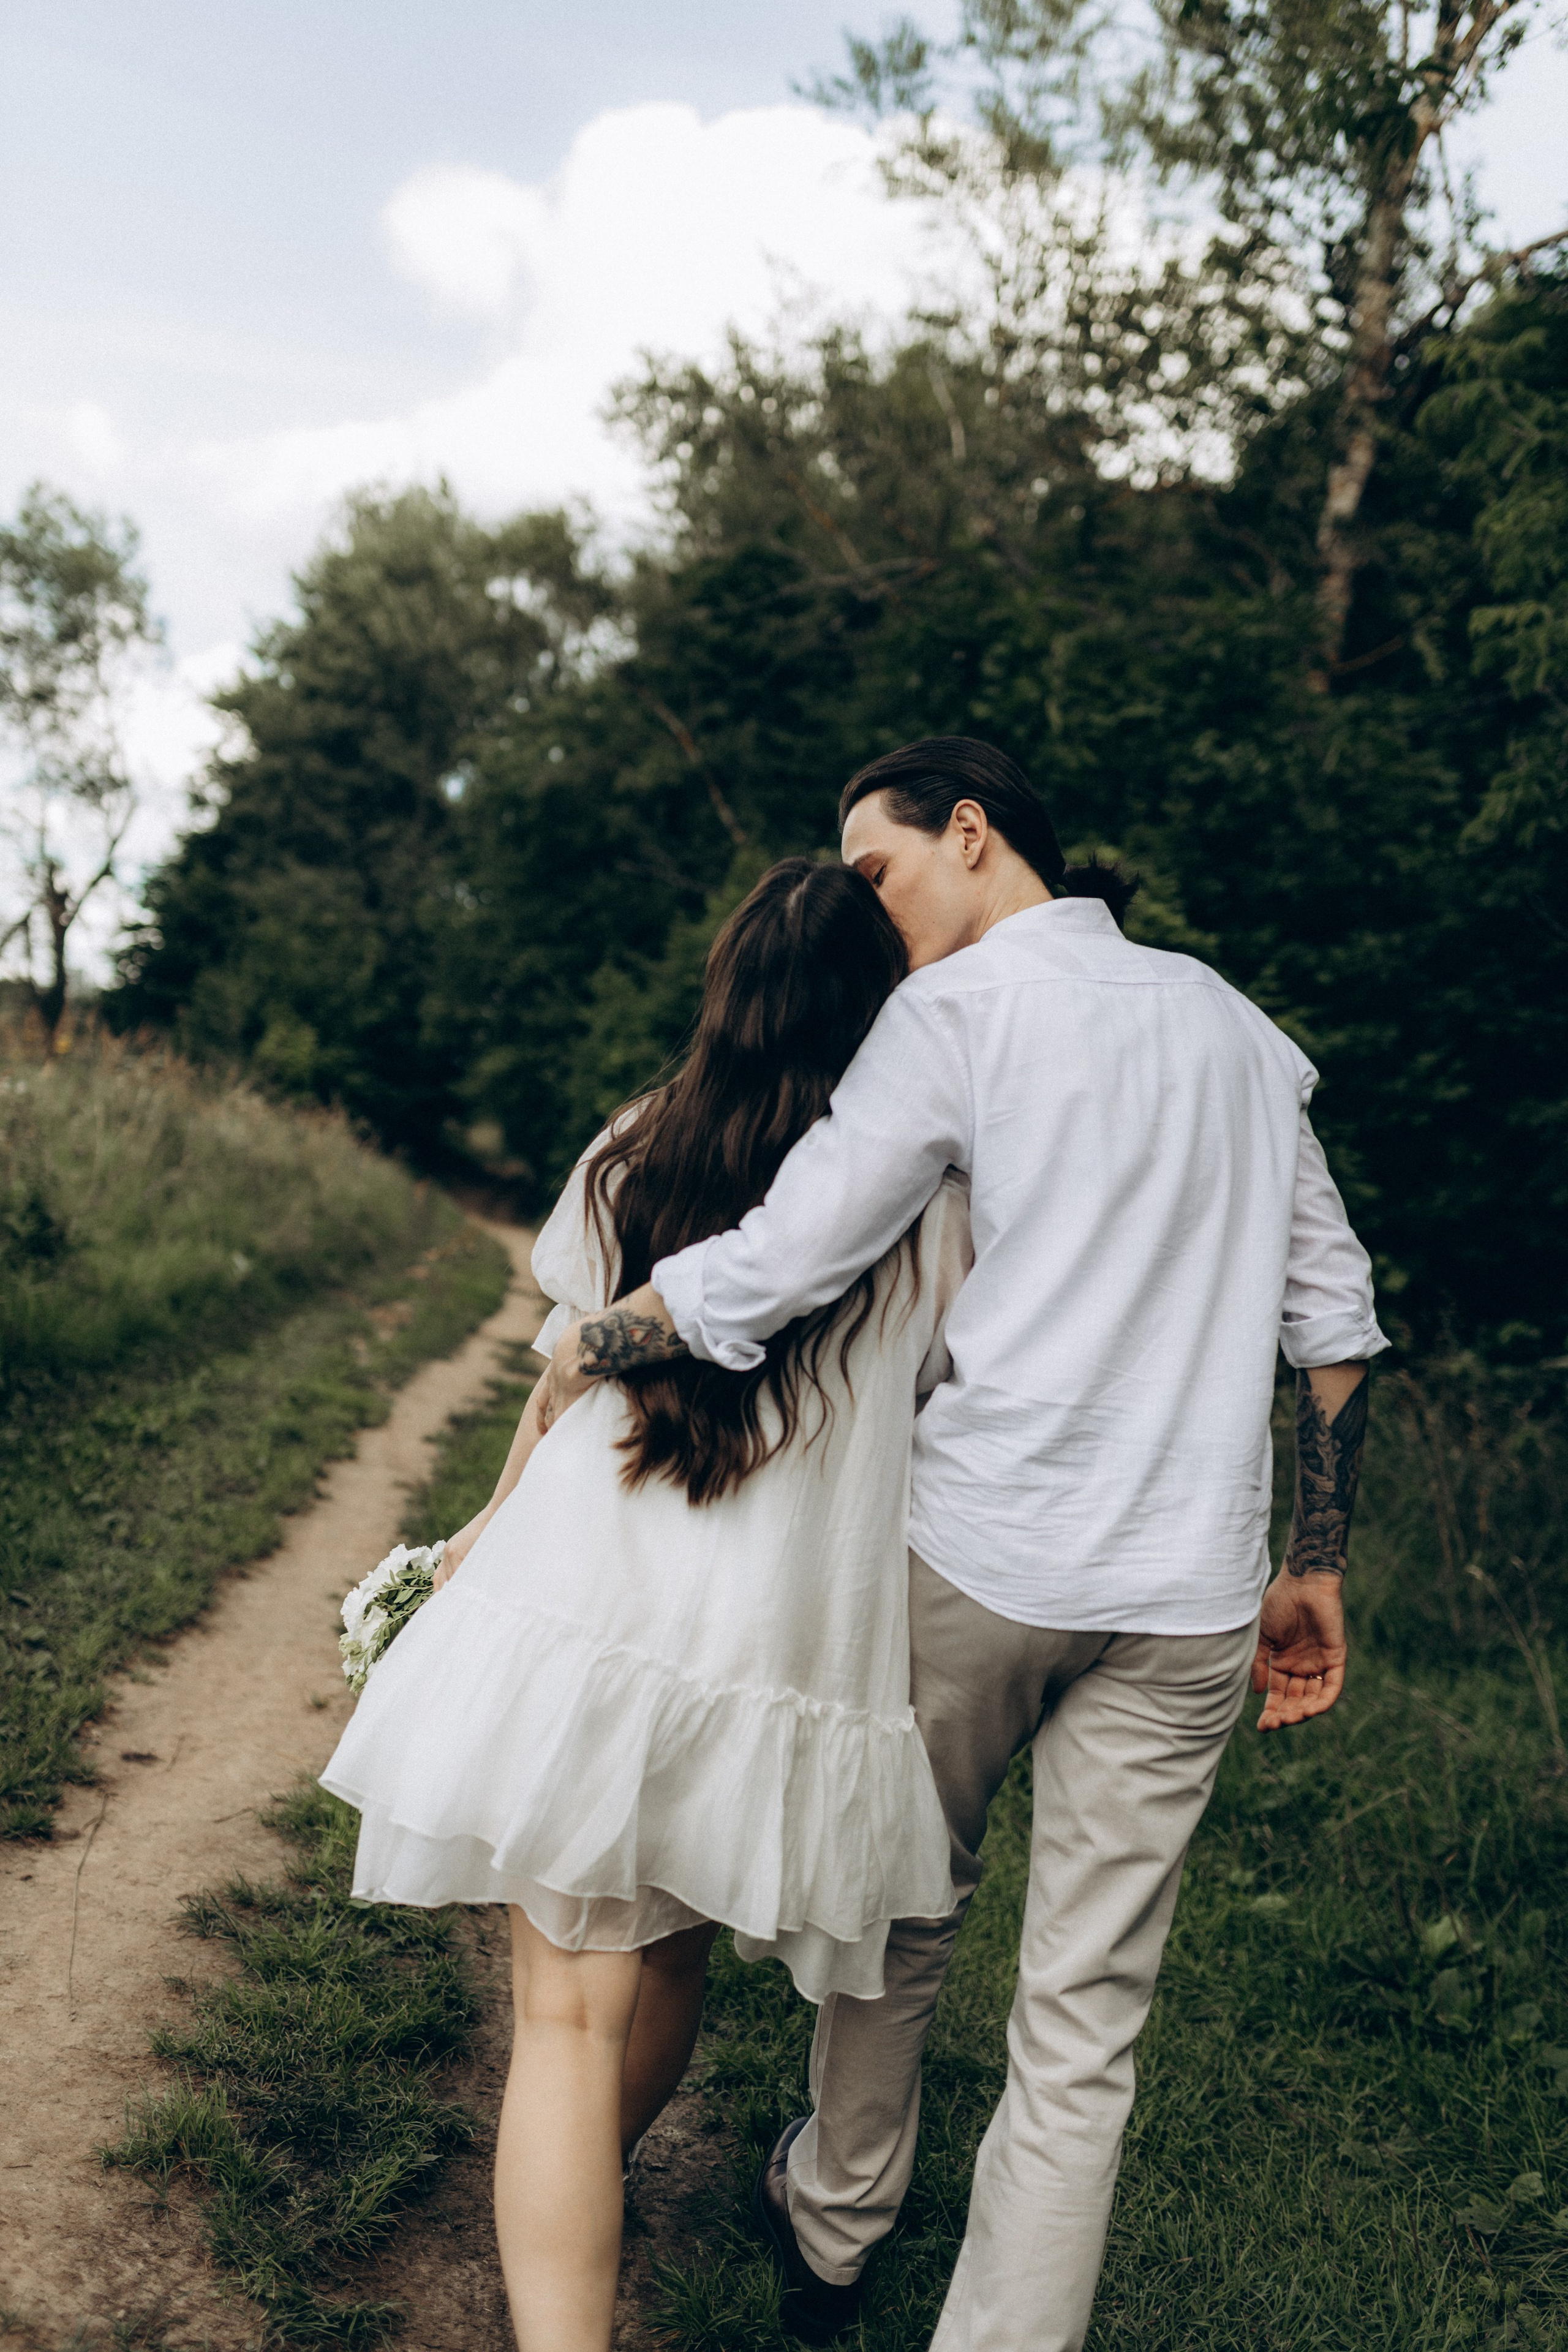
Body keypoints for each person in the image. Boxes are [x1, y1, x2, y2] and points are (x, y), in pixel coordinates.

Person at [538, 737, 1388, 2352]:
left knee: (895, 1916)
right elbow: (1333, 1328)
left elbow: (790, 1255)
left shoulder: (955, 1014)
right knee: (1087, 2022)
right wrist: (1317, 1554)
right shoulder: (1241, 1036)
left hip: (979, 1560)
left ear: (974, 832)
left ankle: (836, 2226)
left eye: (878, 869)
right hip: (1192, 1594)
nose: (872, 908)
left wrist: (607, 1336)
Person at [320, 857, 971, 2352]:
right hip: (770, 1637)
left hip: (602, 1608)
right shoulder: (936, 1211)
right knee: (661, 1952)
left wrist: (489, 1526)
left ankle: (556, 2233)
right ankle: (570, 2195)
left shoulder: (634, 1152)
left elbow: (563, 1375)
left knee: (564, 2013)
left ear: (724, 990)